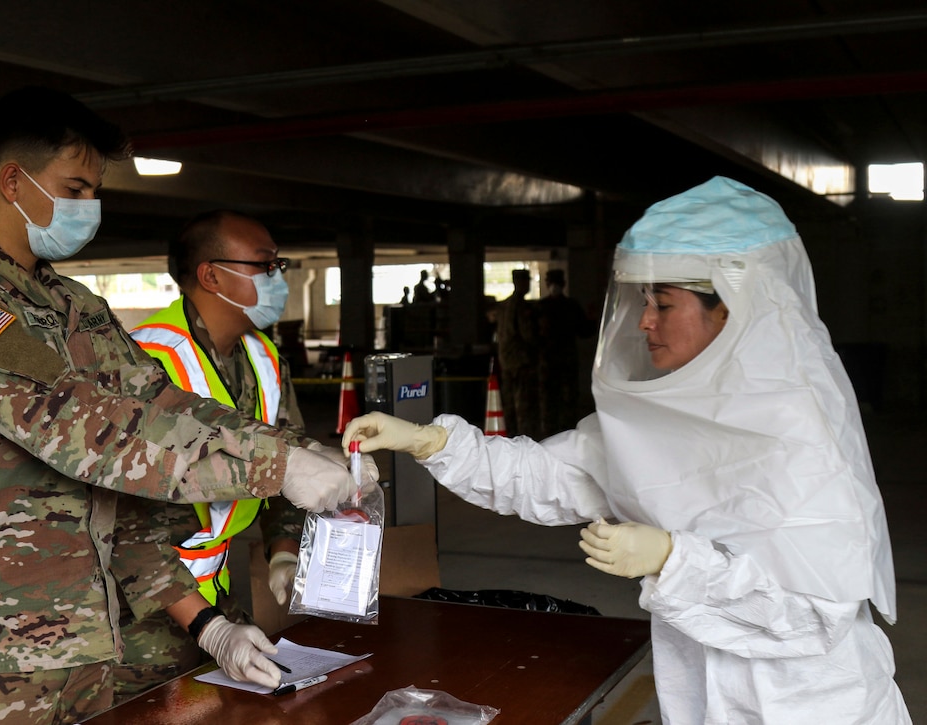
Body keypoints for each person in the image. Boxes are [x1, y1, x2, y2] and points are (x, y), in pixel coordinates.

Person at [343, 177, 911, 723]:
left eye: (664, 303)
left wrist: (673, 559)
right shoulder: (659, 413)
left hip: (812, 709)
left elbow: (816, 617)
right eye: (643, 301)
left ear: (731, 308)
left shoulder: (799, 431)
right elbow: (548, 476)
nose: (643, 322)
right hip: (699, 701)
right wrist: (432, 441)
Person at [0, 86, 360, 725]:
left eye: (94, 192)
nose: (90, 207)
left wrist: (299, 451)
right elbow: (88, 434)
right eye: (75, 190)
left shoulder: (77, 309)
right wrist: (275, 468)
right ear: (14, 182)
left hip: (87, 649)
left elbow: (161, 408)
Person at [117, 210, 357, 700]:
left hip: (212, 597)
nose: (278, 279)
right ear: (211, 274)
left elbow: (289, 466)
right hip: (136, 616)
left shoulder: (264, 359)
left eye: (279, 265)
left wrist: (283, 554)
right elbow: (119, 522)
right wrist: (208, 626)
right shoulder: (143, 361)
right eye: (265, 266)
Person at [537, 269, 596, 435]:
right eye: (551, 283)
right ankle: (549, 435)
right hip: (548, 364)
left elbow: (584, 330)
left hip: (566, 363)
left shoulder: (571, 306)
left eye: (557, 283)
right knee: (548, 403)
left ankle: (567, 434)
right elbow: (531, 336)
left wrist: (592, 318)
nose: (554, 286)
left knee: (568, 402)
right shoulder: (541, 307)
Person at [495, 268, 539, 438]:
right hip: (521, 362)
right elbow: (528, 335)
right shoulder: (521, 306)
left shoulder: (504, 305)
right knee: (524, 406)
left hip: (506, 360)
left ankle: (510, 437)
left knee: (509, 404)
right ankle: (524, 439)